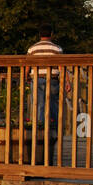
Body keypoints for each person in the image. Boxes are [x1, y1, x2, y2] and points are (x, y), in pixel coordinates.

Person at [27, 26, 64, 163]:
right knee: (53, 103)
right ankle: (53, 128)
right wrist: (65, 80)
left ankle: (40, 127)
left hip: (36, 78)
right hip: (53, 79)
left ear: (39, 34)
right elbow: (61, 66)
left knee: (39, 104)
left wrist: (26, 76)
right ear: (51, 34)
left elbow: (28, 64)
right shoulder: (57, 49)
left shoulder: (32, 49)